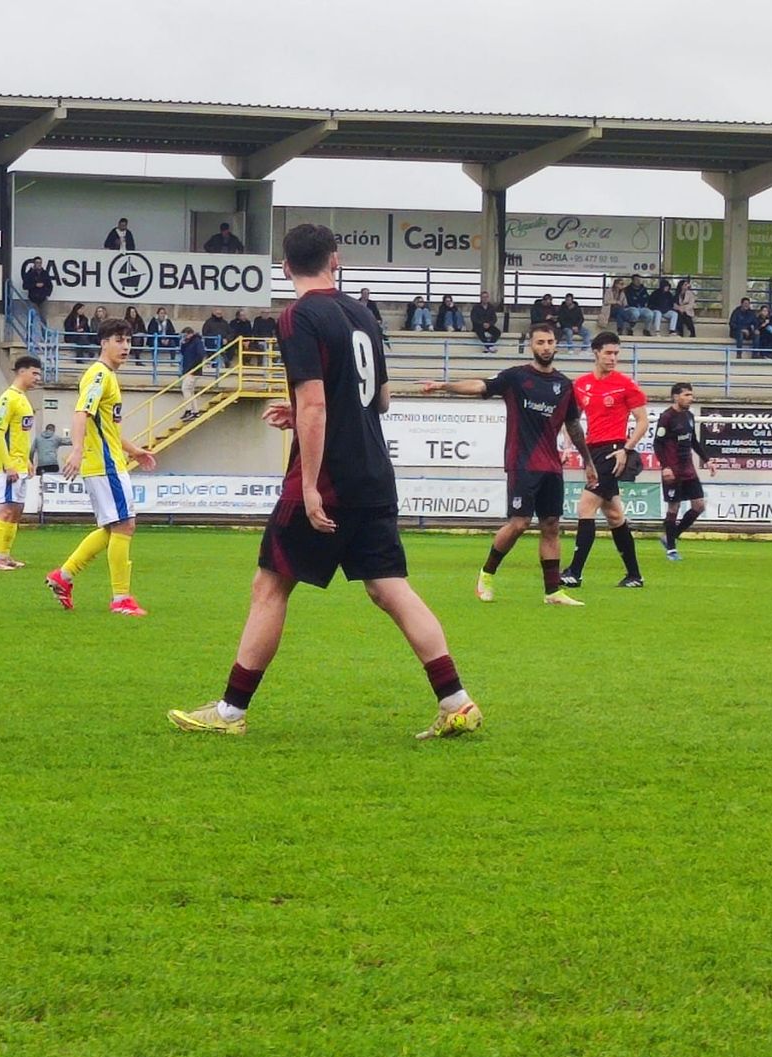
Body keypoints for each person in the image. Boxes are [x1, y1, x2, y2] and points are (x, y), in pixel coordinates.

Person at [168, 222, 481, 740]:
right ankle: (457, 702)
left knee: (270, 586)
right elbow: (379, 400)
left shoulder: (298, 316)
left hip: (330, 477)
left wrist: (310, 484)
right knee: (390, 587)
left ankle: (230, 712)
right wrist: (306, 413)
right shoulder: (362, 313)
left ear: (285, 266)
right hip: (373, 471)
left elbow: (315, 402)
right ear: (336, 260)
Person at [421, 323, 595, 606]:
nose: (546, 347)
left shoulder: (564, 385)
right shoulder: (516, 377)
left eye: (550, 342)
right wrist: (444, 385)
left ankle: (552, 592)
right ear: (531, 346)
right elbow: (481, 386)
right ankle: (487, 574)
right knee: (519, 523)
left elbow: (573, 425)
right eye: (540, 342)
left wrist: (587, 461)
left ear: (556, 344)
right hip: (522, 462)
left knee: (551, 525)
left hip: (551, 467)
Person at [45, 318, 158, 617]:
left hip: (109, 462)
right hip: (104, 464)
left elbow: (106, 427)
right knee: (125, 525)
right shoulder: (99, 374)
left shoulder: (107, 376)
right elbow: (81, 413)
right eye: (119, 340)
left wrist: (134, 450)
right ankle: (121, 598)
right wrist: (77, 450)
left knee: (114, 527)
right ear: (103, 343)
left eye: (128, 340)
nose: (126, 346)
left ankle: (63, 576)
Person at [557, 331, 650, 589]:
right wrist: (567, 446)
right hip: (593, 452)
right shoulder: (582, 384)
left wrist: (626, 449)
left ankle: (575, 572)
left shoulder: (625, 384)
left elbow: (643, 421)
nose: (613, 358)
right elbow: (571, 420)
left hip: (613, 452)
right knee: (614, 515)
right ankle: (635, 575)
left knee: (585, 507)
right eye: (608, 353)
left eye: (616, 353)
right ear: (596, 352)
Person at [0, 355, 41, 570]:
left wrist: (27, 460)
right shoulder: (7, 398)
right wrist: (8, 464)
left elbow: (19, 436)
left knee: (17, 510)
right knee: (5, 509)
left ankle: (4, 554)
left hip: (20, 465)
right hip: (8, 467)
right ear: (21, 372)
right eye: (34, 373)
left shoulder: (23, 398)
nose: (37, 378)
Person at [655, 383, 717, 561]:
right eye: (687, 395)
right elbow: (657, 443)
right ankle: (671, 550)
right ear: (676, 397)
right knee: (673, 507)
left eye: (691, 395)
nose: (691, 398)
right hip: (673, 470)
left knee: (699, 506)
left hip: (688, 470)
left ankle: (670, 536)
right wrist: (665, 466)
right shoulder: (667, 417)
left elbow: (693, 441)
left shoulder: (689, 416)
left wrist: (707, 460)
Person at [179, 326, 207, 417]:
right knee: (190, 391)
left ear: (190, 334)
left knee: (185, 389)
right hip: (189, 369)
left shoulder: (197, 341)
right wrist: (183, 344)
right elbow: (183, 353)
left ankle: (189, 410)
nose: (184, 337)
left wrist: (193, 368)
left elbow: (201, 354)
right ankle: (195, 411)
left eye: (185, 335)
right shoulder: (189, 342)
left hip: (193, 371)